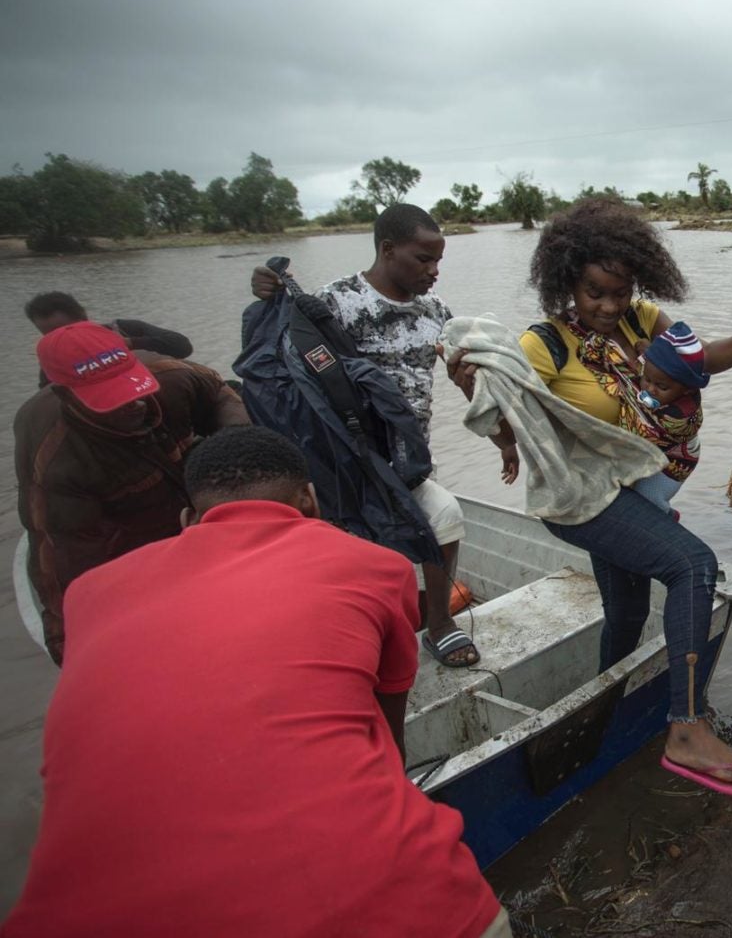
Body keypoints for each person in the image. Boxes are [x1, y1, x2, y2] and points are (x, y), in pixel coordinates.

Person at [1, 427, 508, 938]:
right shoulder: (376, 566)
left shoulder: (89, 593)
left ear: (188, 519)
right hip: (400, 903)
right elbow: (387, 727)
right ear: (309, 499)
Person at [450, 198, 732, 793]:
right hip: (580, 500)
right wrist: (478, 392)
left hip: (631, 494)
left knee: (626, 614)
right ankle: (685, 727)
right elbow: (509, 422)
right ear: (566, 281)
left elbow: (698, 366)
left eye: (619, 291)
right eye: (595, 292)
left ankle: (606, 710)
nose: (608, 306)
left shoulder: (640, 320)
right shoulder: (542, 345)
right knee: (693, 565)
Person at [250, 204, 476, 668]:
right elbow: (287, 375)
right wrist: (265, 291)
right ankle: (353, 641)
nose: (433, 272)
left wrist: (501, 431)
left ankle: (438, 624)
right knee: (355, 558)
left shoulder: (435, 312)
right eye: (423, 259)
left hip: (408, 460)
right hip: (350, 462)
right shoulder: (332, 303)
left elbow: (463, 381)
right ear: (387, 249)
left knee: (446, 517)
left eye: (438, 262)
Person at [14, 321, 249, 666]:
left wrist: (239, 444)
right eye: (114, 400)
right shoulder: (56, 458)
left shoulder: (172, 375)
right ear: (64, 394)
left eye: (135, 387)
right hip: (137, 541)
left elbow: (218, 392)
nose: (136, 404)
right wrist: (72, 647)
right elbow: (59, 556)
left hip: (196, 503)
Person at [621, 321, 709, 514]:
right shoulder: (659, 377)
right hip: (658, 452)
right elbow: (648, 364)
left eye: (661, 387)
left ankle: (667, 518)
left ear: (686, 389)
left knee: (649, 499)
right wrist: (645, 350)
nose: (650, 389)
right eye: (647, 379)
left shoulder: (680, 417)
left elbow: (642, 431)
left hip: (676, 461)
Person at [25, 290, 193, 386]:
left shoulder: (125, 329)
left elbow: (183, 347)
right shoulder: (54, 360)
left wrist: (129, 343)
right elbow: (49, 396)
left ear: (83, 316)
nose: (63, 338)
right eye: (50, 335)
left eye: (67, 329)